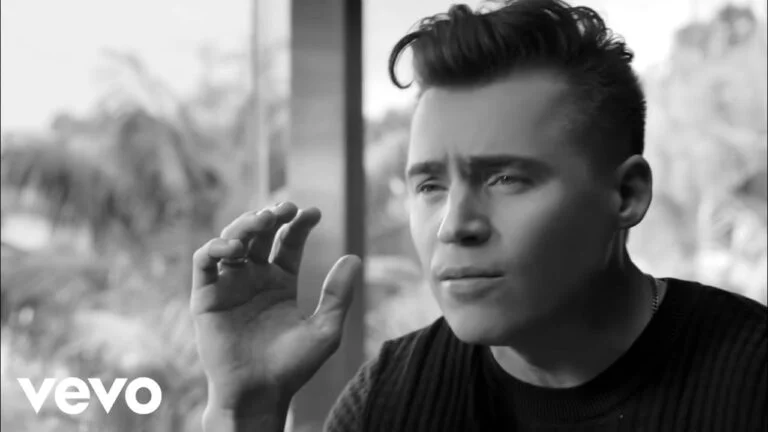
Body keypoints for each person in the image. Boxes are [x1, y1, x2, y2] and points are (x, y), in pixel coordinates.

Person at [190, 0, 767, 430]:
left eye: (506, 178)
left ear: (626, 195)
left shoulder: (751, 380)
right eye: (430, 185)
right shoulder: (390, 398)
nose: (453, 226)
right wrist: (246, 410)